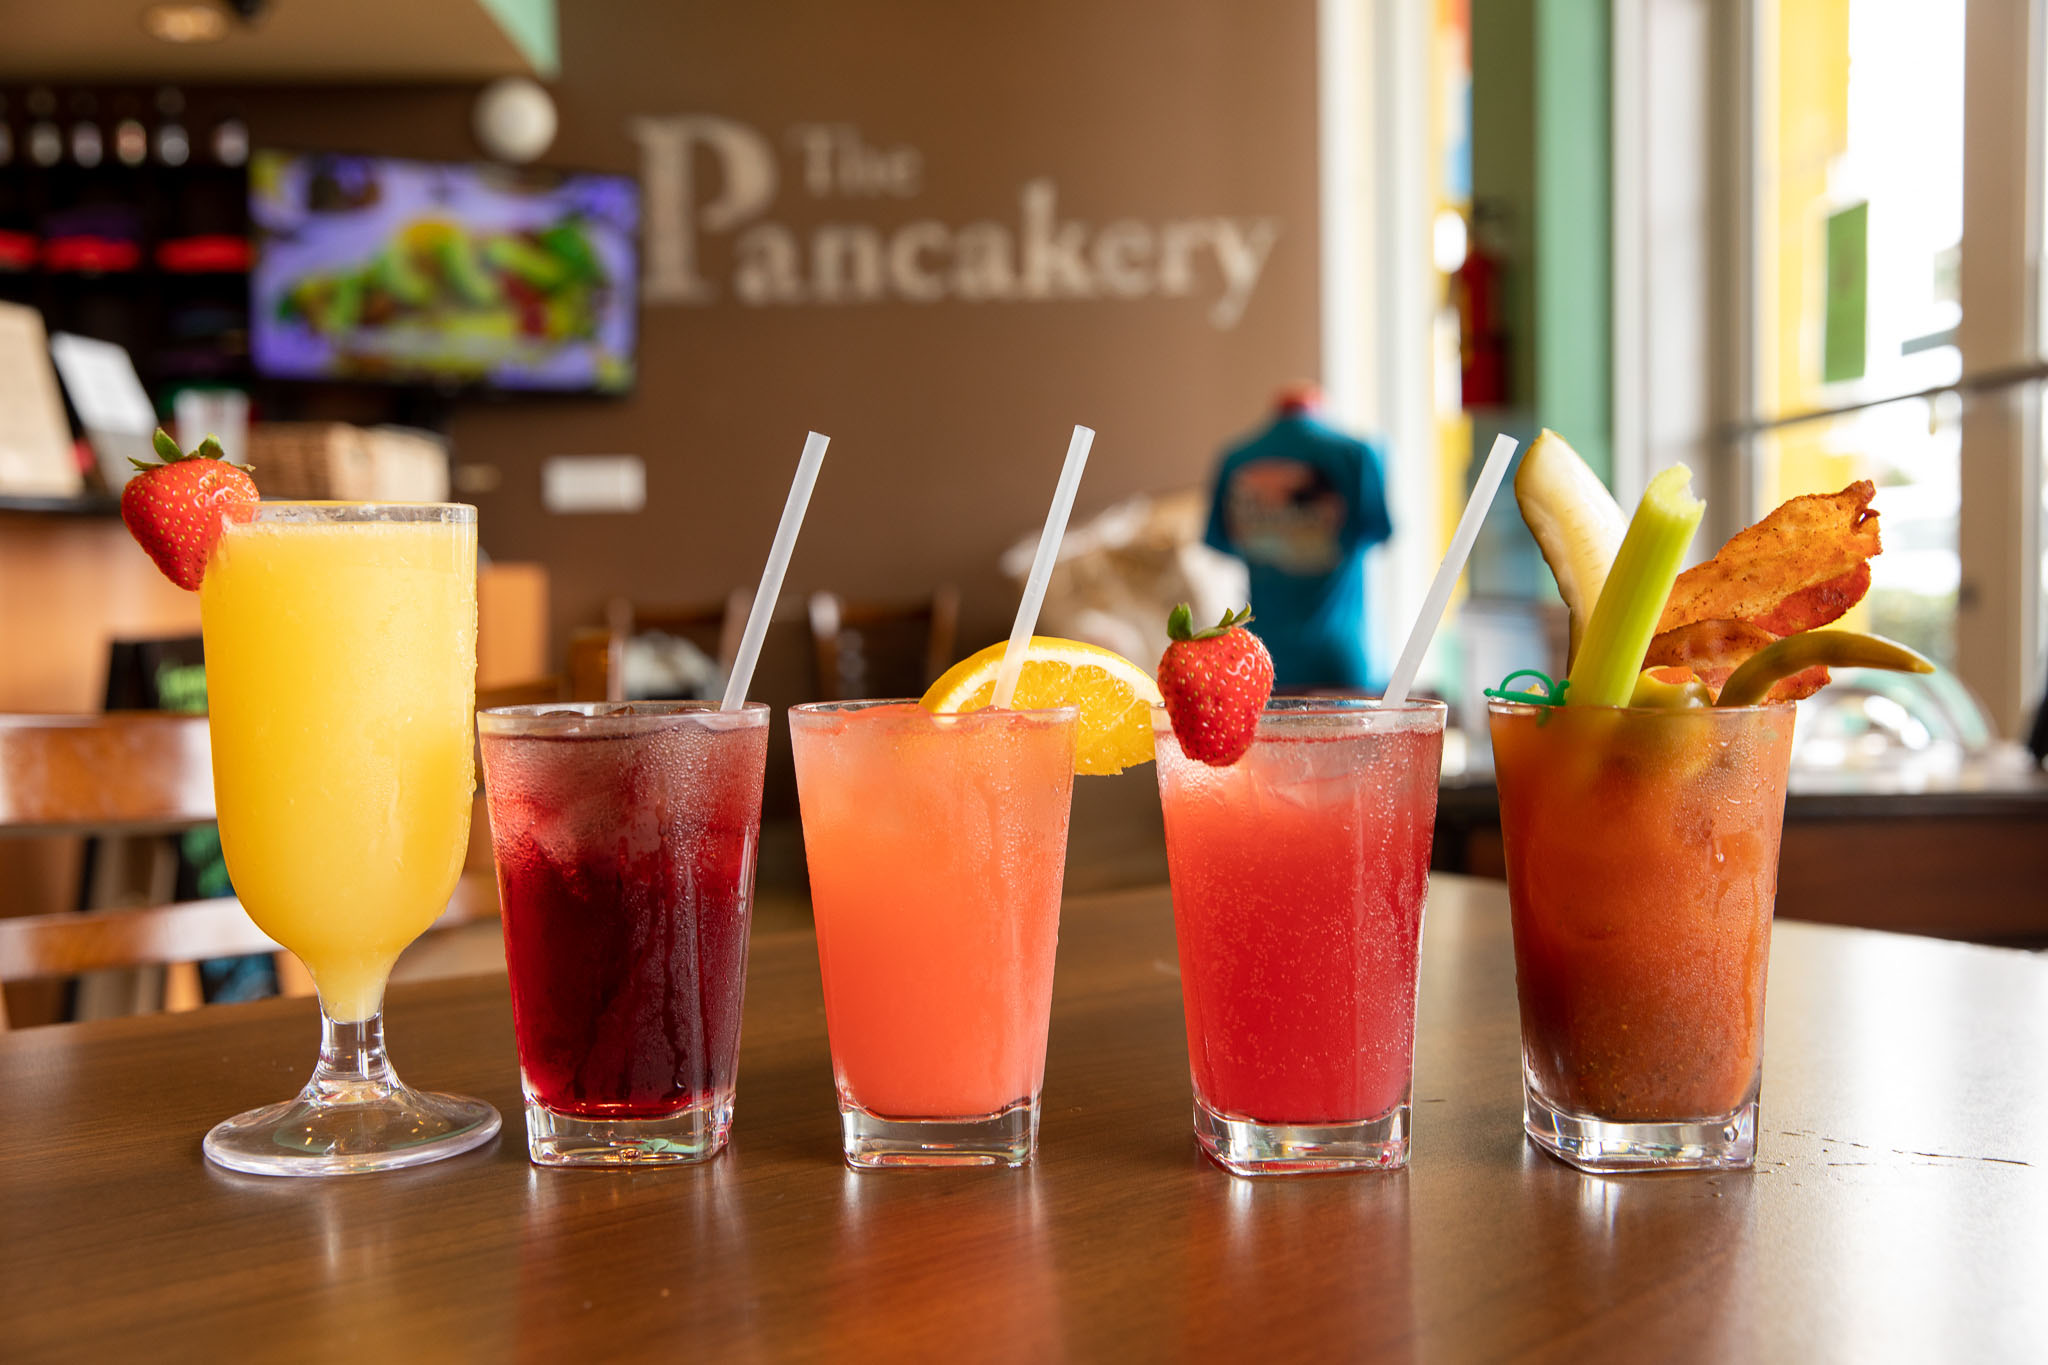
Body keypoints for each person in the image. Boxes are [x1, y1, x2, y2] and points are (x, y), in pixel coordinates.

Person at [1203, 384, 1392, 691]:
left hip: (1260, 661)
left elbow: (1222, 542)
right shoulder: (1356, 455)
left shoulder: (1237, 460)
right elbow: (1378, 532)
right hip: (1339, 657)